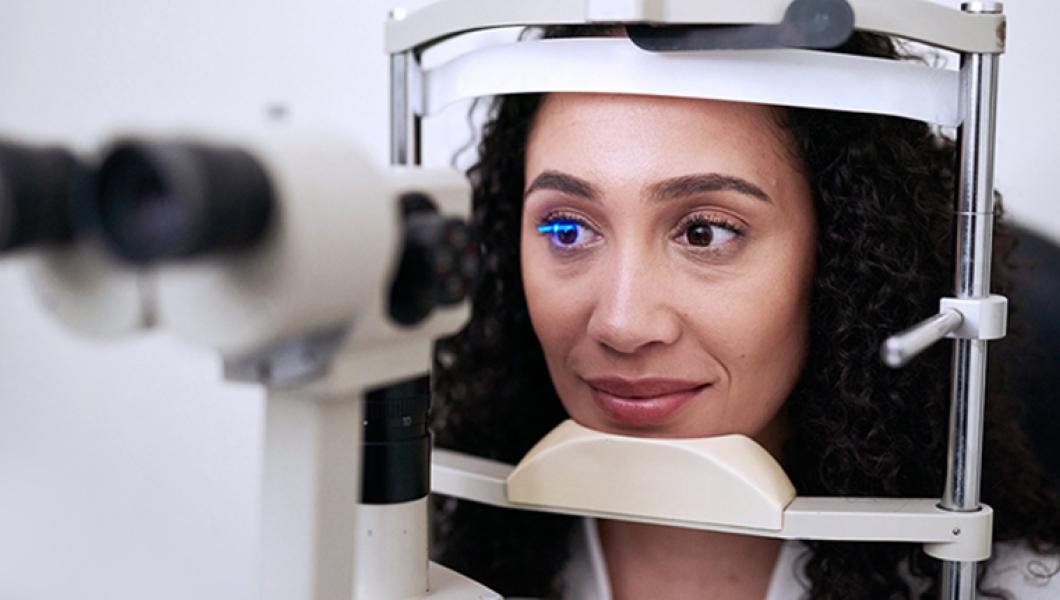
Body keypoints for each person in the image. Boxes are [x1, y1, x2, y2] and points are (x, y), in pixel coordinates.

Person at [429, 28, 1060, 599]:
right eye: (567, 229)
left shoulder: (1013, 588)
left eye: (705, 233)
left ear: (841, 251)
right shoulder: (409, 558)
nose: (621, 324)